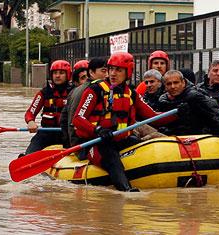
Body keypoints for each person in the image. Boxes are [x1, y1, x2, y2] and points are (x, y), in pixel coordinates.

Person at [72, 52, 177, 191]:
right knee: (112, 159)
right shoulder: (95, 90)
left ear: (128, 72)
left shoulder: (132, 93)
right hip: (96, 142)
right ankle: (126, 191)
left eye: (118, 70)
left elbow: (153, 117)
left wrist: (177, 114)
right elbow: (78, 118)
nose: (113, 74)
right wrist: (97, 130)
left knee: (145, 147)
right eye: (111, 69)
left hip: (120, 140)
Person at [23, 60, 73, 155]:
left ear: (68, 75)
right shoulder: (44, 93)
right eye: (55, 73)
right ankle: (27, 158)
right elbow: (30, 113)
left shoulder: (74, 92)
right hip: (46, 133)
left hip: (67, 134)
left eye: (61, 73)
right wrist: (30, 121)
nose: (57, 76)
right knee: (31, 151)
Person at [158, 70, 219, 136]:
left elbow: (216, 117)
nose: (173, 87)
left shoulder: (195, 96)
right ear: (165, 86)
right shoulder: (163, 101)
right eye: (169, 84)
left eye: (176, 83)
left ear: (183, 82)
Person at [61, 57, 108, 148]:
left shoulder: (75, 91)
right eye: (103, 71)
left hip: (80, 140)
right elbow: (72, 120)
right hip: (84, 142)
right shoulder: (92, 90)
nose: (107, 75)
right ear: (91, 72)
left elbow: (63, 119)